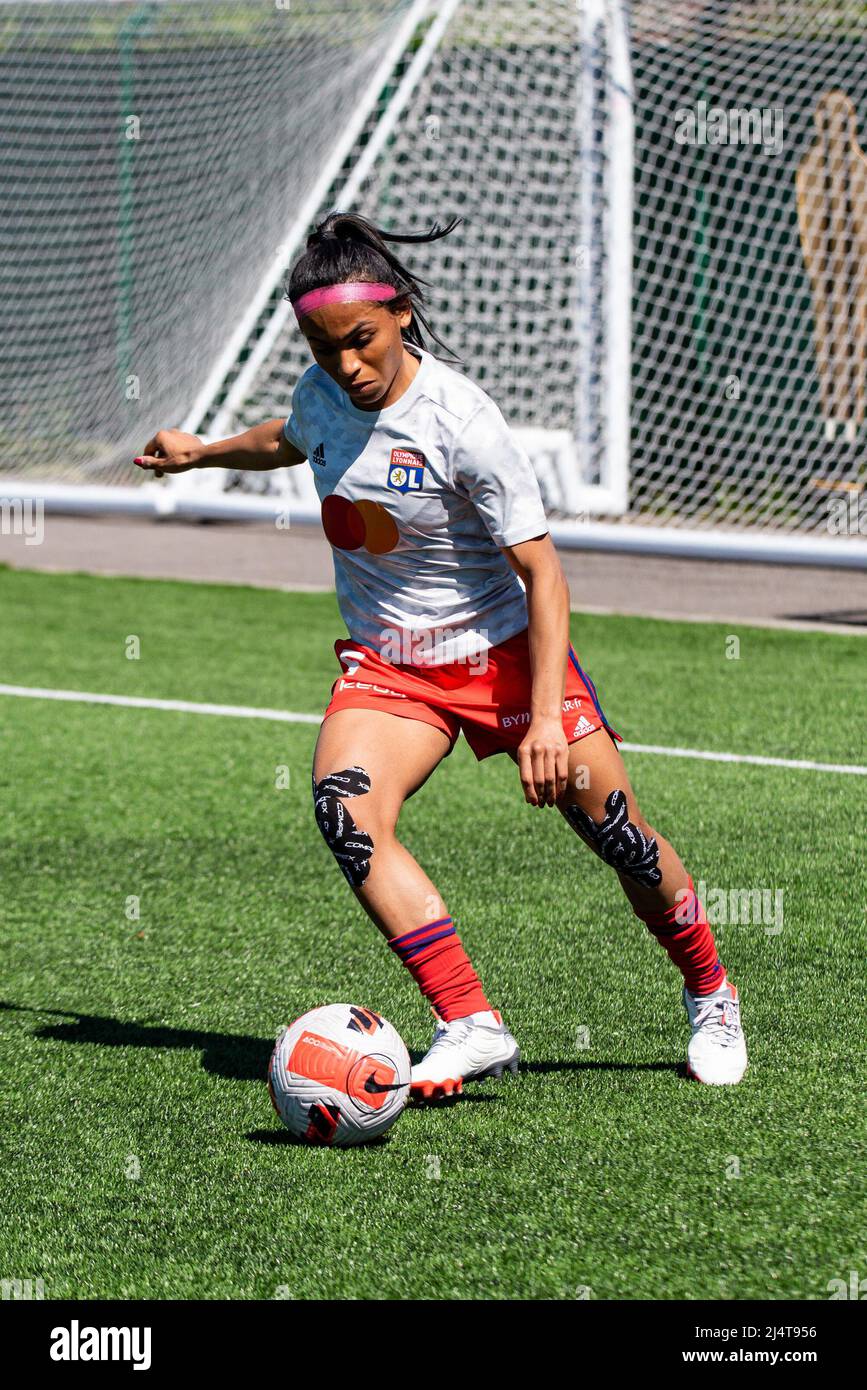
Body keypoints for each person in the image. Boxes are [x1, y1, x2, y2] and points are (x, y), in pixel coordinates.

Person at [134, 210, 748, 1099]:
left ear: (403, 315)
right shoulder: (322, 393)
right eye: (321, 345)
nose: (347, 365)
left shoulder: (462, 421)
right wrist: (205, 453)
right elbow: (291, 435)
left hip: (501, 657)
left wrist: (541, 717)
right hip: (390, 669)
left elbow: (542, 576)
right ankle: (470, 1022)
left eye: (361, 340)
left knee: (619, 837)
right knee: (346, 813)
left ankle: (710, 992)